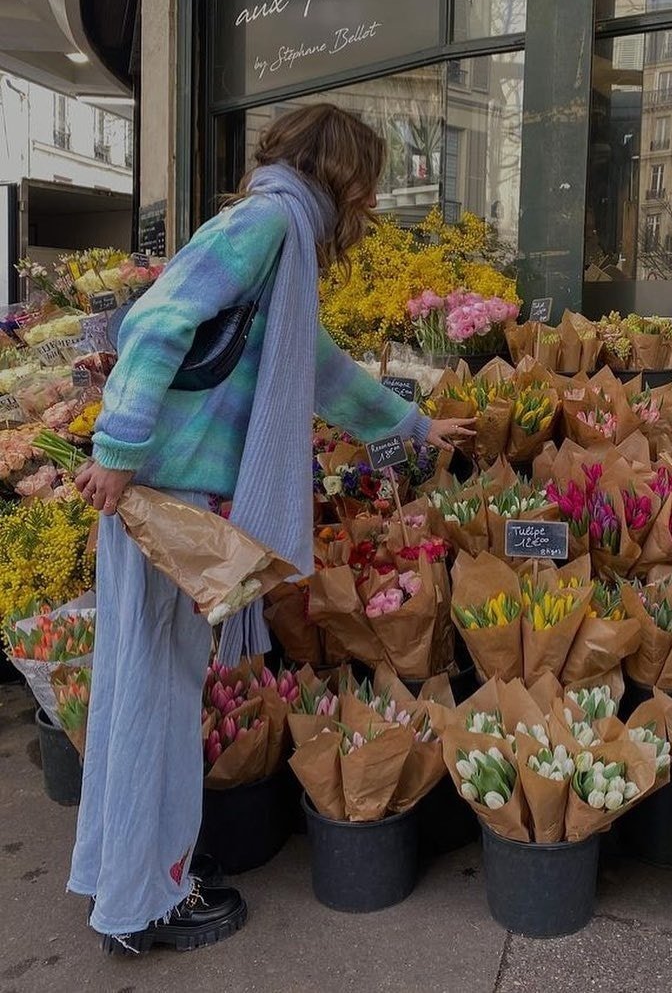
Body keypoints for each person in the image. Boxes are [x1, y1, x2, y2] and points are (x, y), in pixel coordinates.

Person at [68, 103, 474, 955]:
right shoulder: (264, 225)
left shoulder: (276, 231)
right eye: (369, 177)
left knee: (157, 690)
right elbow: (154, 323)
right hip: (162, 500)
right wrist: (117, 446)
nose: (369, 198)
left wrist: (410, 427)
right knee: (154, 694)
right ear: (344, 171)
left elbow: (314, 363)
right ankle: (144, 903)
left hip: (174, 497)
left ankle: (143, 873)